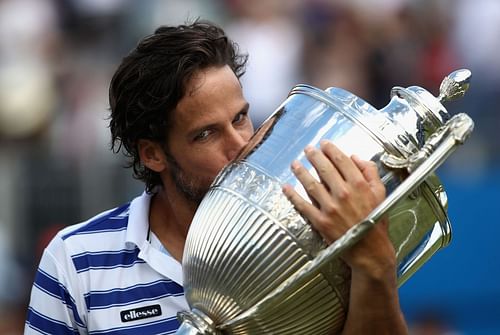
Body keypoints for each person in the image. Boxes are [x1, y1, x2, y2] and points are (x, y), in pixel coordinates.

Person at [25, 20, 408, 334]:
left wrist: (375, 264)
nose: (241, 144)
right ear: (153, 154)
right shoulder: (75, 260)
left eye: (240, 117)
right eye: (206, 133)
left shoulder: (315, 233)